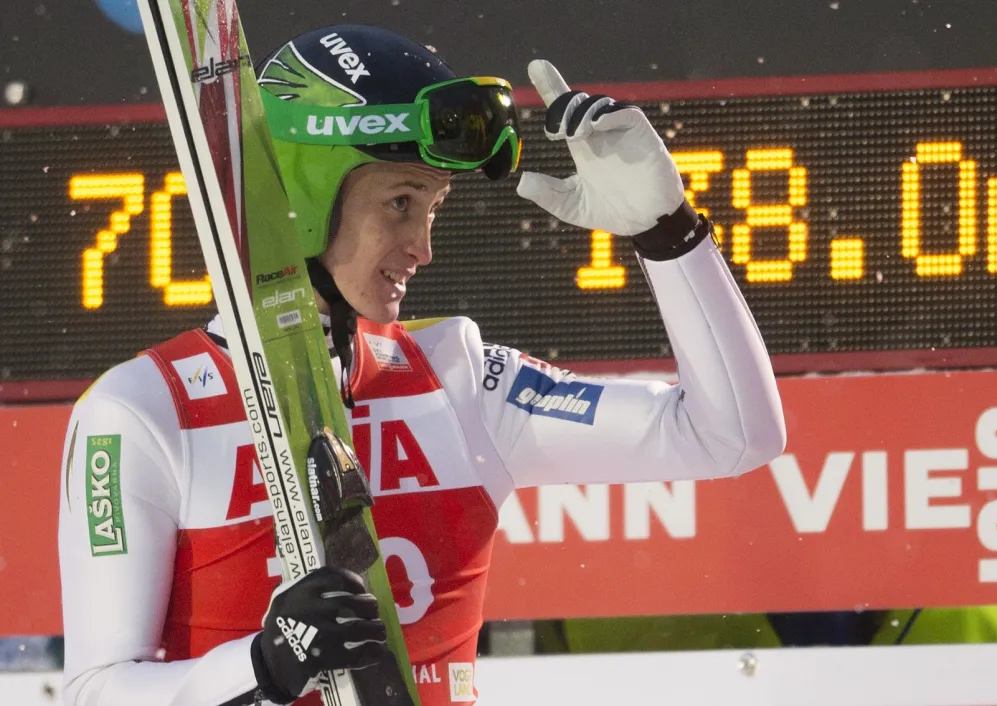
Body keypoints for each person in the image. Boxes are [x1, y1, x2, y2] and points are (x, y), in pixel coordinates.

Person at [57, 23, 786, 706]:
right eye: (399, 203)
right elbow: (95, 691)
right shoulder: (142, 410)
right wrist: (261, 665)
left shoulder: (458, 379)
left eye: (432, 206)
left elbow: (735, 435)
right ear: (304, 198)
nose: (422, 247)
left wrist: (668, 233)